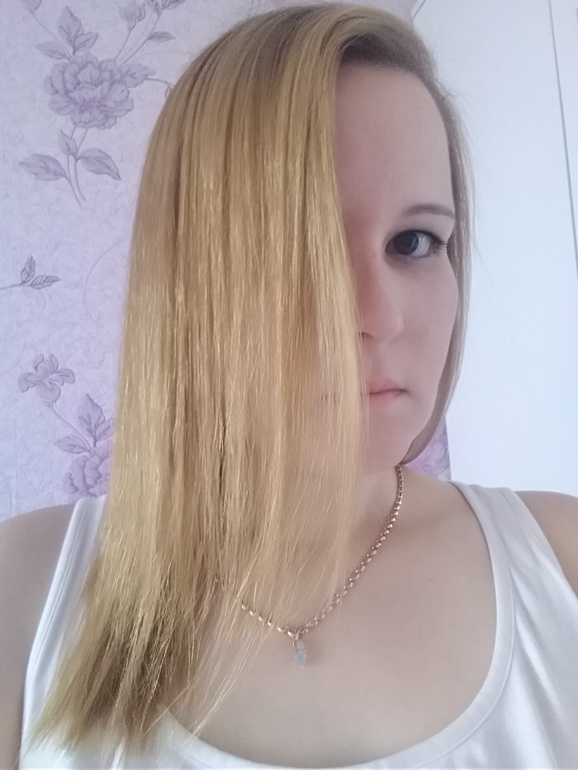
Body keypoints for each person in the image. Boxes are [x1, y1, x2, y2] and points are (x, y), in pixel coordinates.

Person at [2, 2, 578, 768]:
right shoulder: (26, 591)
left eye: (415, 241)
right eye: (305, 252)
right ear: (187, 287)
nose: (380, 318)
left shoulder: (561, 561)